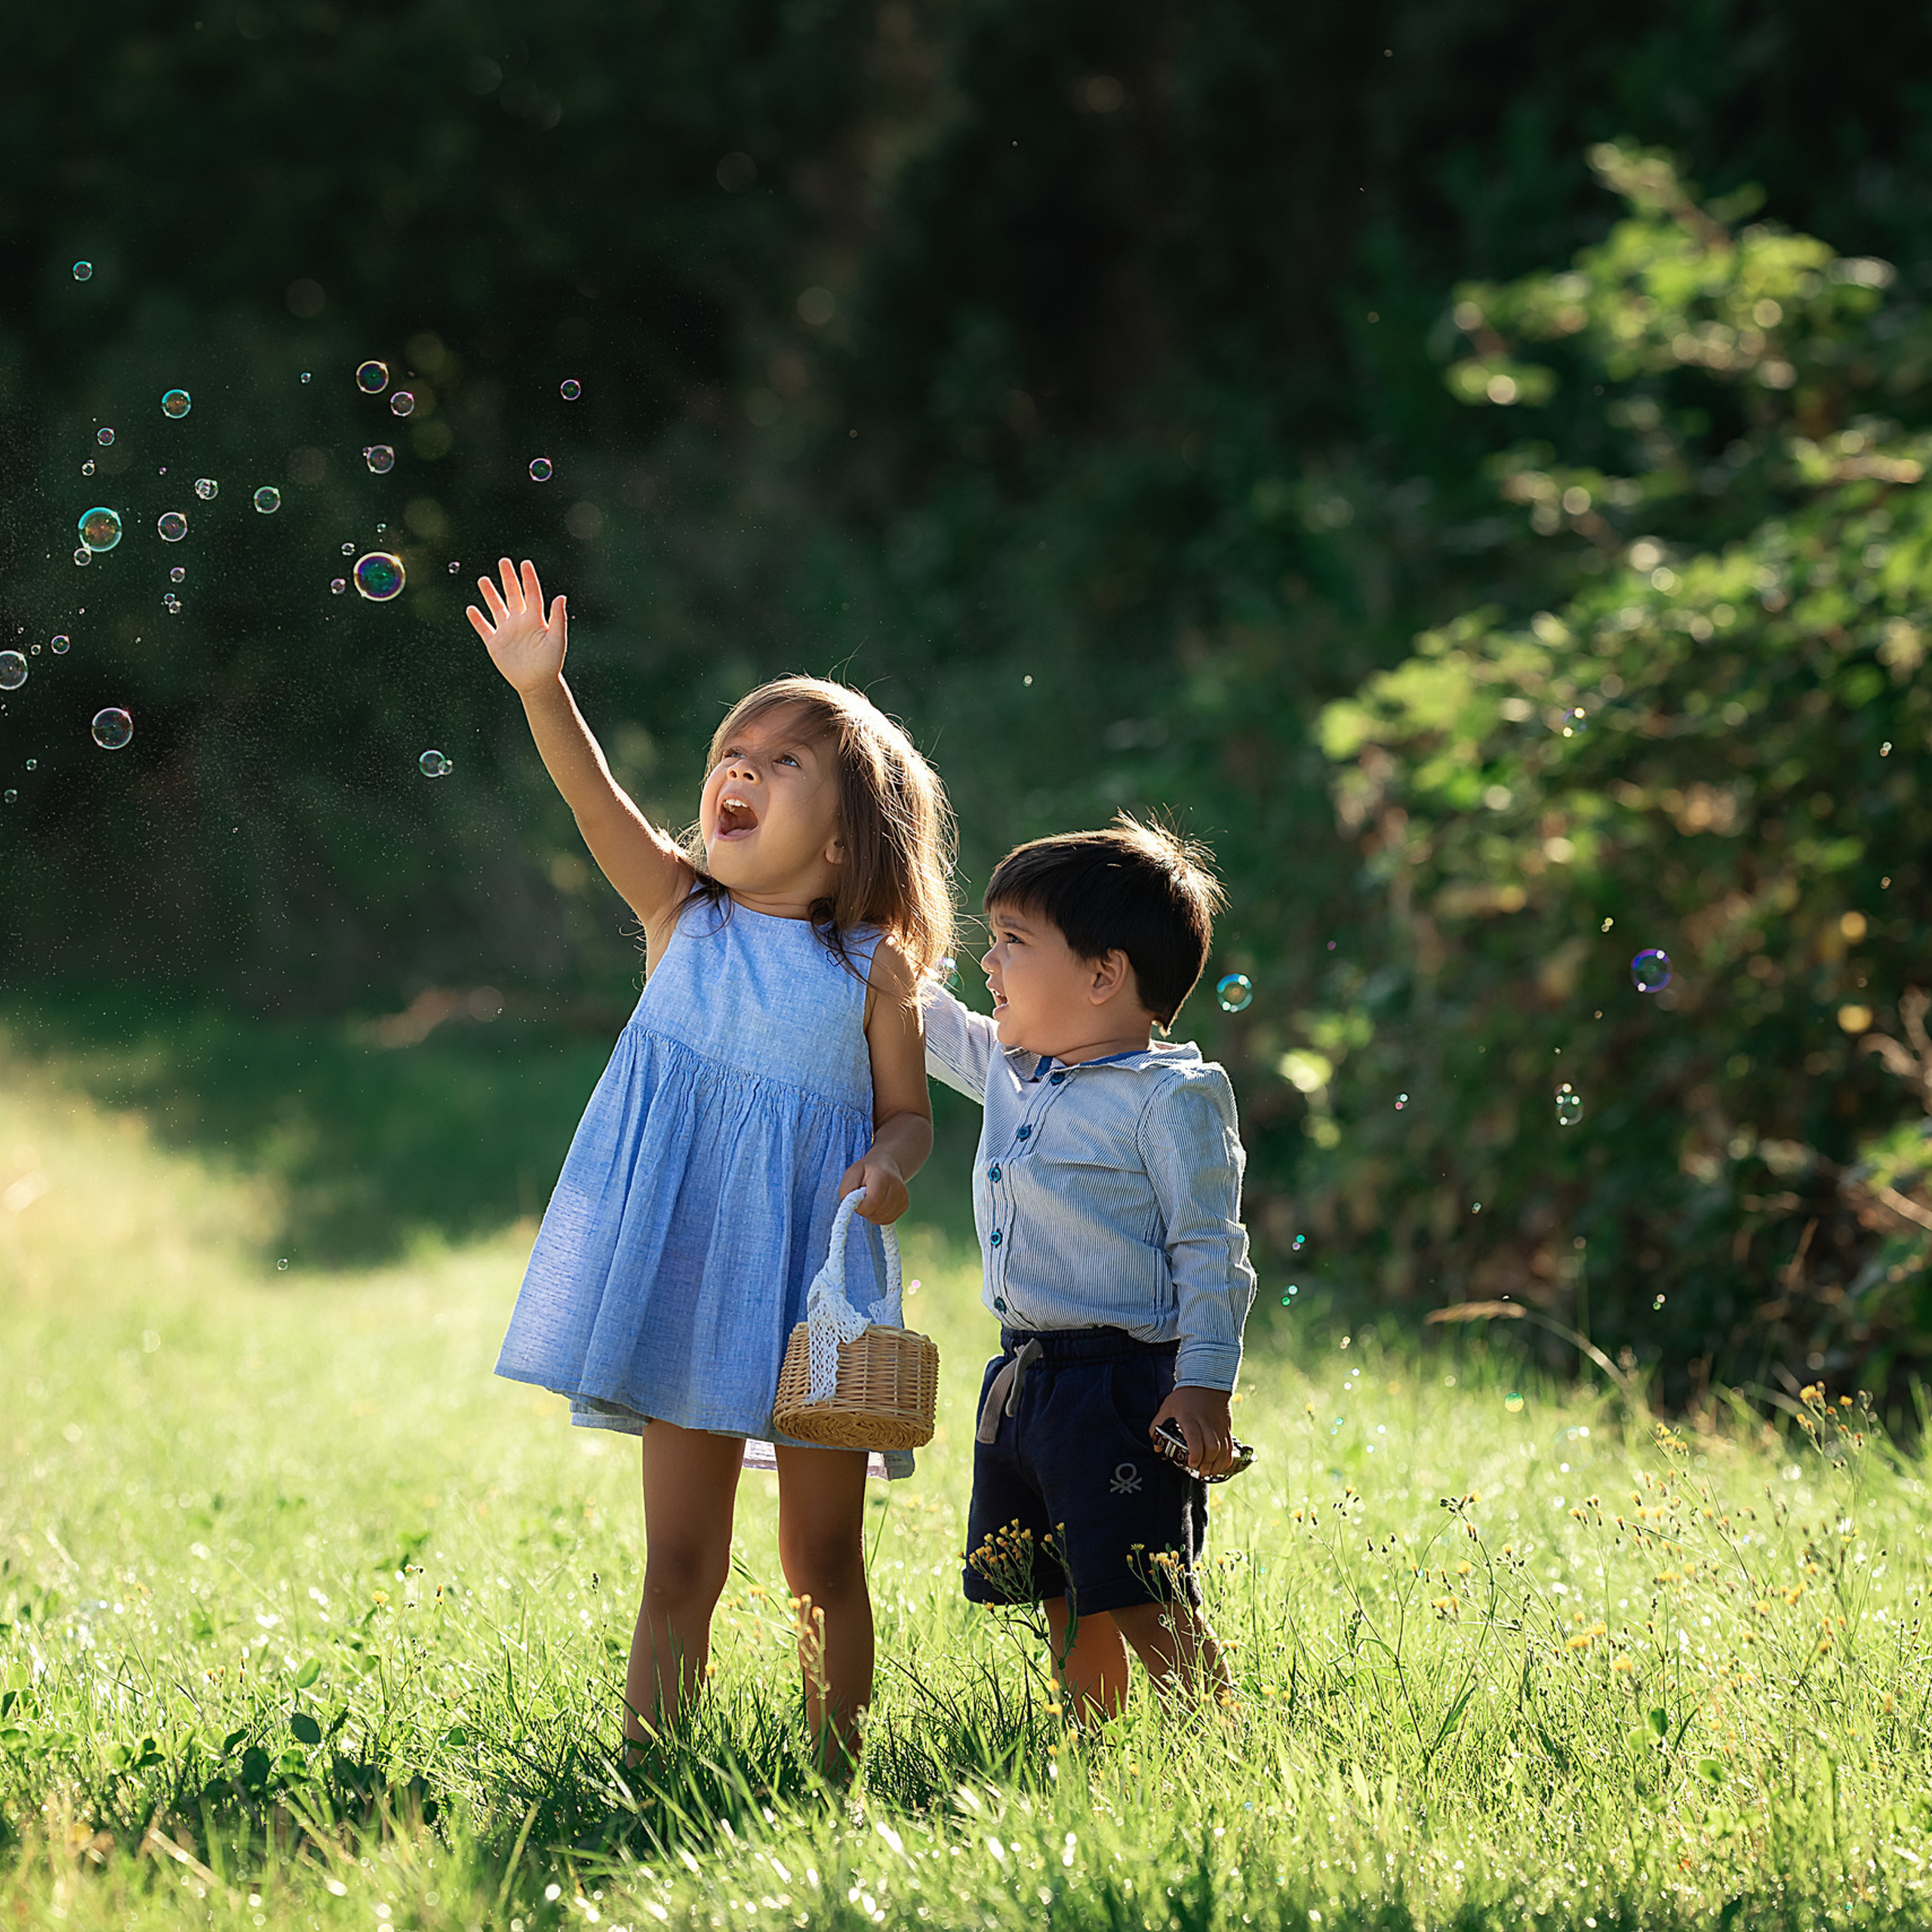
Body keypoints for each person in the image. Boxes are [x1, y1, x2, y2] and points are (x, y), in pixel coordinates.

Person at [468, 558, 952, 1770]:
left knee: (821, 1559)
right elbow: (593, 805)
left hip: (816, 1286)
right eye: (734, 751)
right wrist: (543, 690)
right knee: (679, 1559)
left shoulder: (874, 971)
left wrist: (890, 1168)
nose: (740, 768)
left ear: (848, 841)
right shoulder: (682, 913)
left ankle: (834, 1762)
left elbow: (909, 1115)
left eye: (785, 762)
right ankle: (648, 1768)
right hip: (684, 1269)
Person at [922, 816, 1257, 1716]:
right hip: (1030, 1376)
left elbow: (1211, 1250)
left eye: (1012, 943)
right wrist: (868, 946)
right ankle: (1089, 1742)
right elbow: (931, 1022)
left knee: (1142, 1587)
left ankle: (1220, 1742)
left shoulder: (1168, 1099)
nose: (986, 964)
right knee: (1064, 1586)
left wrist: (1204, 1383)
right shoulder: (1015, 1067)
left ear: (1104, 973)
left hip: (1123, 1387)